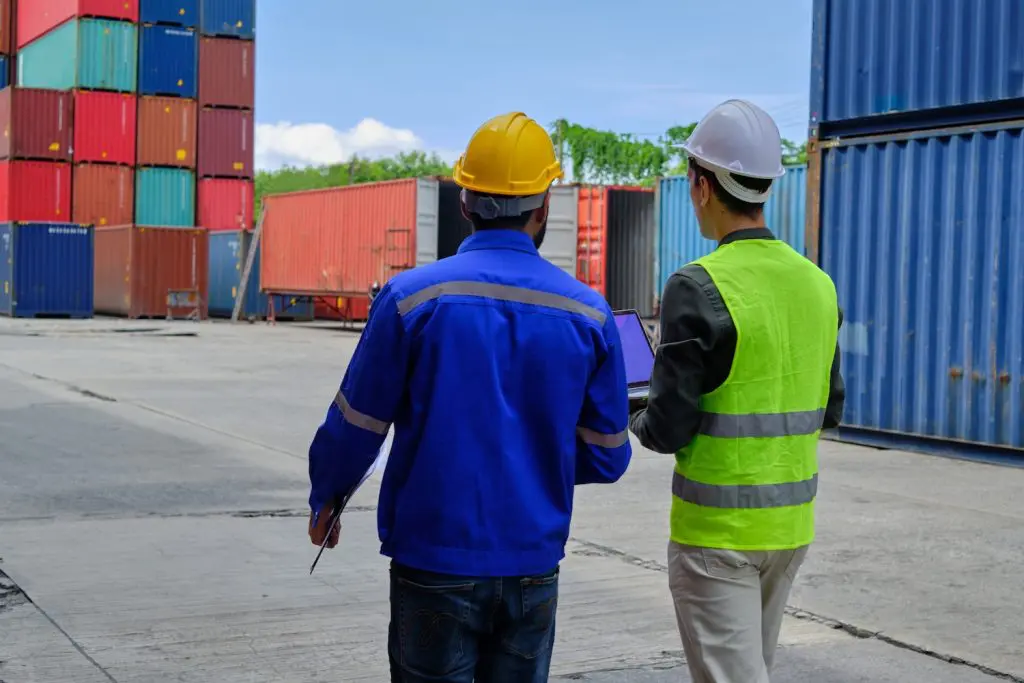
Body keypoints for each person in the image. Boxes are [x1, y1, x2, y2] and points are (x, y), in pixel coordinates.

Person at [307, 111, 633, 683]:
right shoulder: (588, 314)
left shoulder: (411, 300)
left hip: (433, 558)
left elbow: (357, 423)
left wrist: (328, 497)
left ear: (464, 201)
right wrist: (534, 463)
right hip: (533, 562)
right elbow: (608, 456)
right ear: (544, 206)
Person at [628, 99, 845, 683]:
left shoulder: (696, 285)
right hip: (790, 532)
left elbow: (668, 427)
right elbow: (831, 408)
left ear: (701, 186)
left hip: (717, 537)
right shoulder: (818, 286)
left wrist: (636, 415)